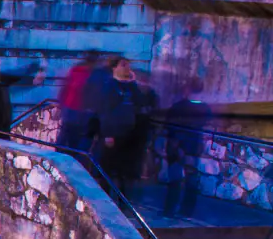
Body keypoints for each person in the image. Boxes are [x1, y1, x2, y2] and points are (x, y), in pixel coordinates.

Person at [95, 58, 154, 192]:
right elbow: (105, 110)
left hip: (128, 134)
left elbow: (140, 102)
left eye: (128, 65)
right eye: (123, 65)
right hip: (113, 133)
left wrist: (133, 83)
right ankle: (105, 194)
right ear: (114, 68)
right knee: (108, 168)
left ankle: (122, 198)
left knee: (124, 169)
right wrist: (108, 133)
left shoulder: (130, 87)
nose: (127, 68)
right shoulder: (109, 86)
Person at [160, 80, 213, 218]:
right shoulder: (204, 108)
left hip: (179, 146)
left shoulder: (178, 107)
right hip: (192, 147)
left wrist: (175, 144)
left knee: (176, 179)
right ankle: (185, 211)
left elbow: (169, 127)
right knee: (190, 180)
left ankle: (170, 210)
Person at [55, 53, 102, 152]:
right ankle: (72, 155)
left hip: (71, 108)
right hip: (78, 110)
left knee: (68, 134)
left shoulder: (76, 71)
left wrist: (61, 104)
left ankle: (62, 152)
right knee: (76, 136)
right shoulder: (89, 74)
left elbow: (66, 88)